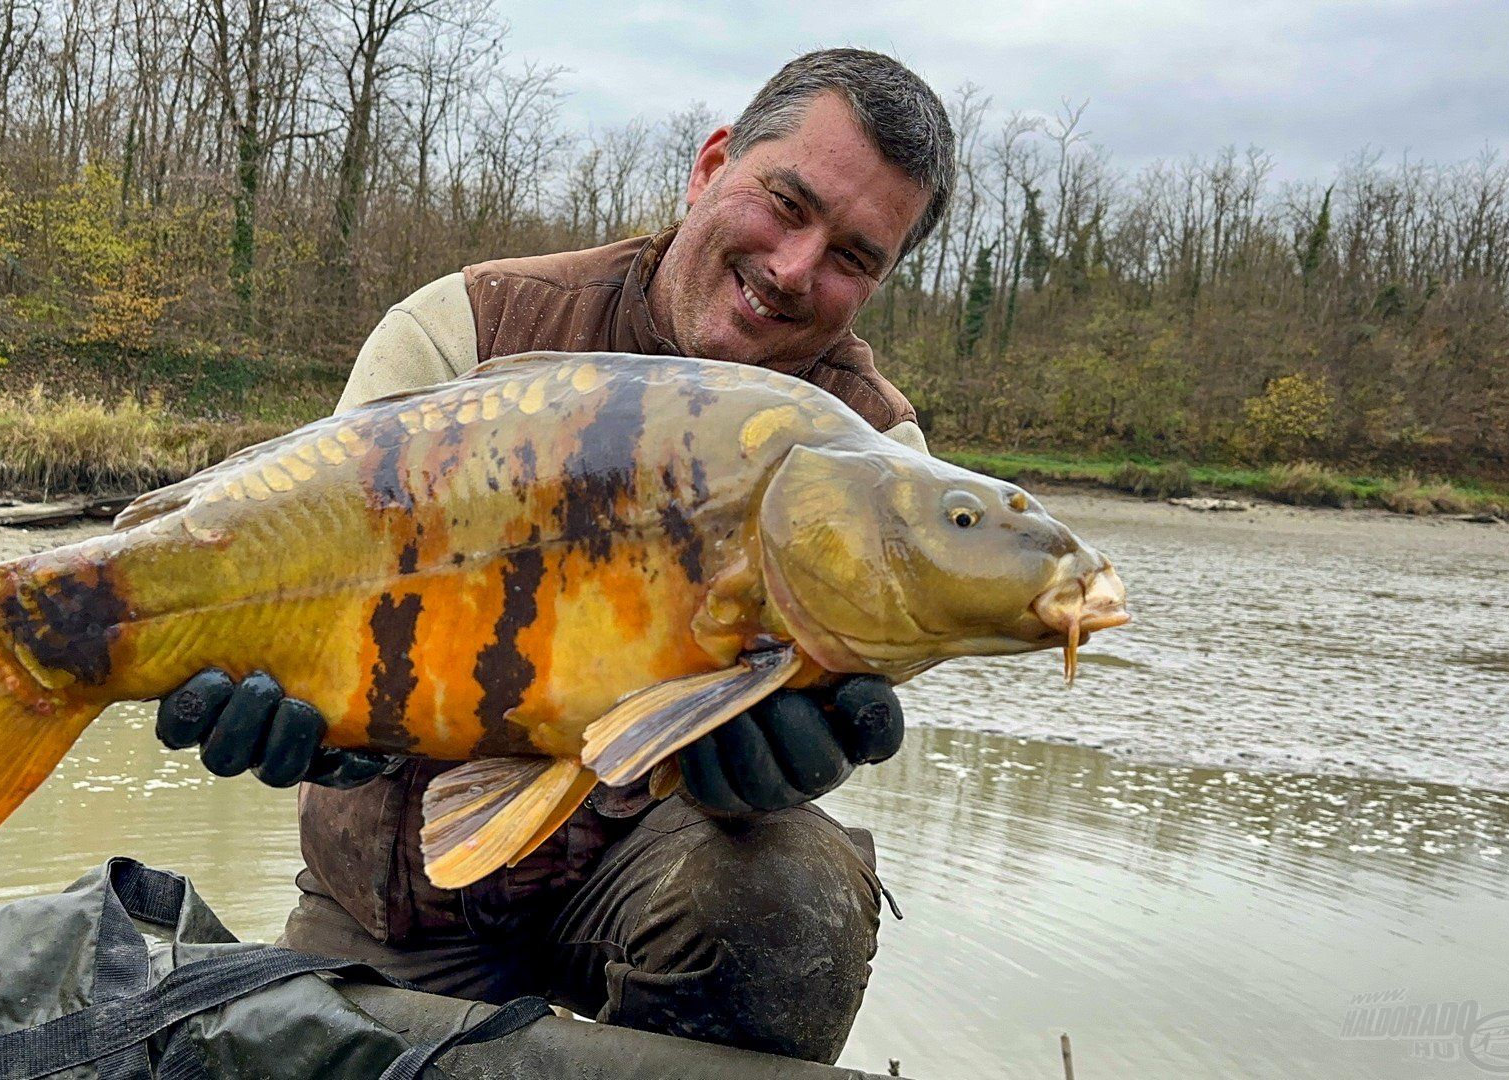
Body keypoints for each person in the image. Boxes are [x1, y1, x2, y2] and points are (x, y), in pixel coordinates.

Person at [155, 48, 955, 1064]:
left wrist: (791, 760)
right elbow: (302, 566)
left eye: (853, 257)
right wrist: (320, 725)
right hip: (395, 894)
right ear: (713, 165)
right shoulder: (467, 329)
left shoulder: (884, 463)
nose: (795, 269)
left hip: (648, 881)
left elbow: (864, 692)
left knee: (796, 892)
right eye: (785, 204)